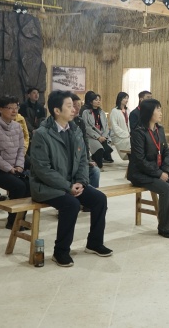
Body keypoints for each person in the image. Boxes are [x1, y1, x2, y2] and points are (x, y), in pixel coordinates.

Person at [30, 90, 112, 266]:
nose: (74, 109)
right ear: (56, 110)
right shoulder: (42, 134)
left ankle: (94, 243)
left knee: (99, 199)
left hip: (72, 183)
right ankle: (60, 251)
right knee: (71, 204)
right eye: (69, 106)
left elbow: (83, 160)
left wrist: (81, 182)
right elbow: (42, 170)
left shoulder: (75, 130)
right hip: (46, 186)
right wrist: (68, 186)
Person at [127, 98, 169, 239]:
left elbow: (166, 151)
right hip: (140, 174)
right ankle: (164, 227)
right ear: (149, 112)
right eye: (158, 109)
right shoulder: (138, 132)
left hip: (157, 171)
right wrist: (158, 174)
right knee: (166, 189)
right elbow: (140, 160)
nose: (160, 113)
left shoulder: (160, 129)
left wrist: (165, 170)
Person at [0, 95, 29, 229]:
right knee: (18, 186)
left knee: (29, 185)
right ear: (0, 109)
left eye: (16, 107)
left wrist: (19, 165)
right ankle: (12, 222)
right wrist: (9, 168)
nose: (14, 111)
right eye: (10, 108)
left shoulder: (17, 126)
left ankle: (20, 220)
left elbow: (21, 148)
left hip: (13, 167)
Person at [69, 93, 100, 188]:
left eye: (79, 105)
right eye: (74, 105)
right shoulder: (64, 124)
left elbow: (85, 142)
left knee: (95, 171)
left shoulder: (80, 121)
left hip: (80, 160)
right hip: (70, 164)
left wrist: (87, 160)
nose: (77, 108)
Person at [82, 92, 112, 167]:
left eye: (99, 100)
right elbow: (87, 127)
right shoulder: (86, 112)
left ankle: (96, 162)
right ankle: (98, 166)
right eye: (96, 100)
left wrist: (104, 136)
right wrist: (98, 137)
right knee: (99, 149)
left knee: (106, 149)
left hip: (102, 136)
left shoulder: (102, 112)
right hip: (91, 136)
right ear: (91, 102)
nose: (98, 101)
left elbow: (106, 126)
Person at [109, 92, 131, 160]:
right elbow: (115, 126)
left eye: (127, 98)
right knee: (131, 143)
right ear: (120, 99)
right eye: (125, 98)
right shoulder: (114, 111)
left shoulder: (128, 110)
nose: (126, 100)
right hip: (118, 135)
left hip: (128, 135)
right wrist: (126, 134)